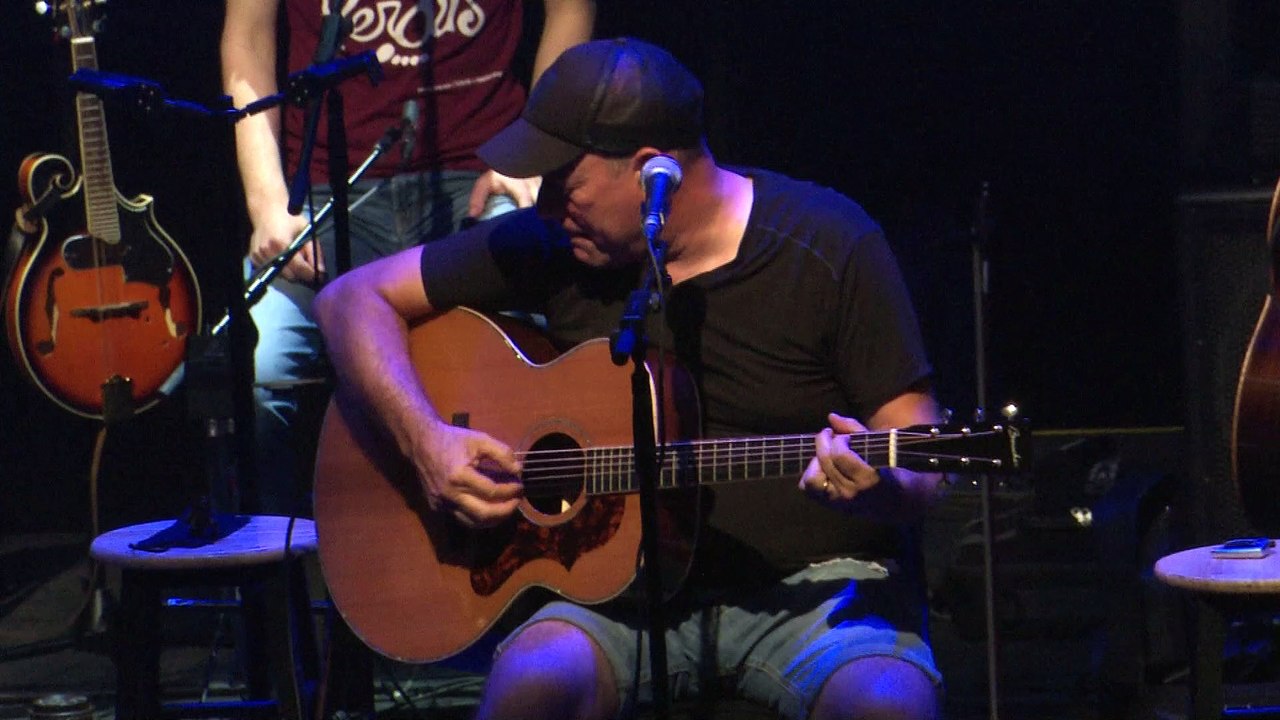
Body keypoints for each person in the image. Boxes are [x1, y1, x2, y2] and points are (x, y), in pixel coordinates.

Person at [313, 37, 944, 720]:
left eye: (565, 184)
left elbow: (919, 453)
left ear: (651, 173)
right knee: (532, 685)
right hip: (613, 602)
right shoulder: (556, 243)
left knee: (888, 706)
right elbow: (349, 300)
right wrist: (426, 443)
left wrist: (882, 490)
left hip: (813, 595)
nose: (547, 206)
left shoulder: (828, 244)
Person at [219, 0, 595, 513]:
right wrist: (266, 203)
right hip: (330, 193)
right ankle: (286, 557)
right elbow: (248, 35)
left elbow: (571, 9)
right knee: (257, 368)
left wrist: (534, 155)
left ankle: (519, 548)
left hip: (478, 178)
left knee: (528, 352)